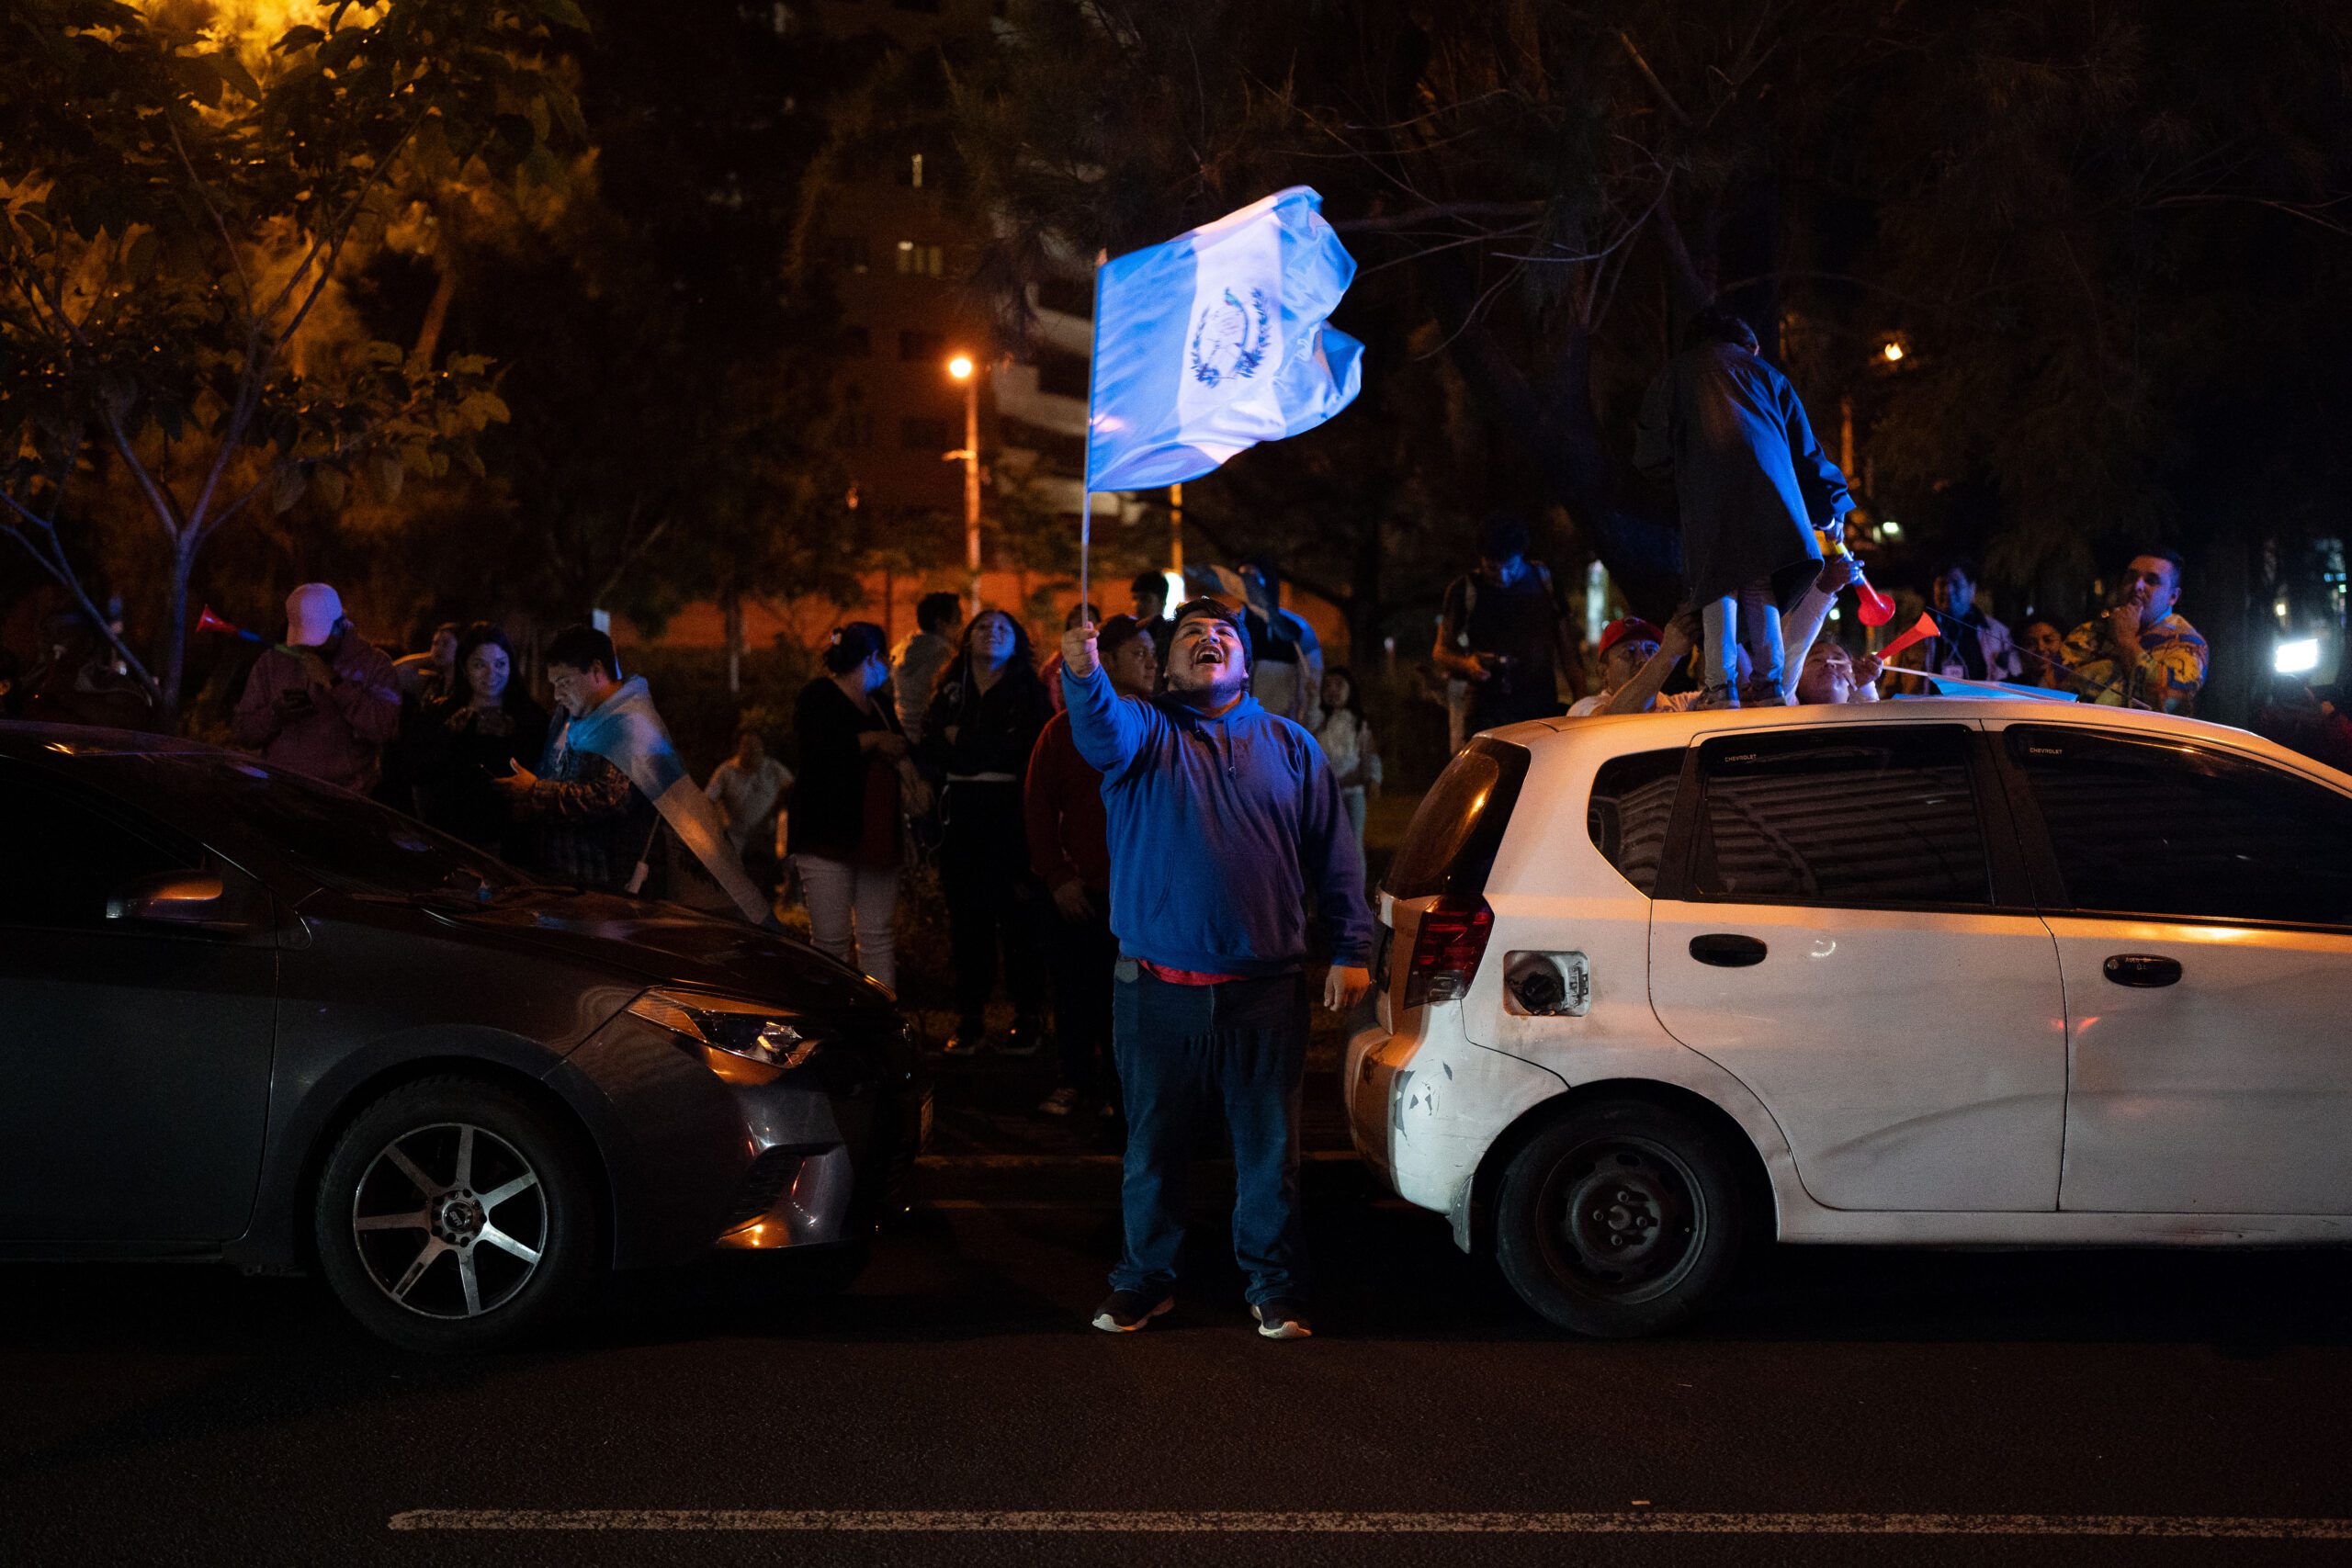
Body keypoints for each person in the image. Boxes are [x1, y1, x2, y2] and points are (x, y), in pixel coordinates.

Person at [1060, 596, 1373, 1342]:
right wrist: (1083, 670)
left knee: (1269, 1153)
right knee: (1153, 1148)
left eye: (1225, 633)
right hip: (1156, 990)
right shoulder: (1142, 731)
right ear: (1167, 664)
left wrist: (1353, 948)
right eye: (1192, 634)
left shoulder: (1292, 745)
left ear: (1244, 661)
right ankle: (1144, 1280)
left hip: (1265, 990)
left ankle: (1274, 1285)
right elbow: (1098, 722)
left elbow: (1336, 856)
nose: (1210, 640)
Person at [1634, 306, 1852, 707]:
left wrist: (1683, 481)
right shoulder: (1769, 376)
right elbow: (1807, 452)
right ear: (1749, 345)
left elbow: (1651, 453)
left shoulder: (1675, 374)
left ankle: (1721, 687)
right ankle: (1769, 685)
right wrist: (1830, 508)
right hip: (1771, 503)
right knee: (1759, 583)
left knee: (1719, 584)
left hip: (1709, 499)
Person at [1024, 615, 1157, 1119]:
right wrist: (1057, 877)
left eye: (1152, 653)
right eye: (1137, 654)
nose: (1149, 662)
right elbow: (1038, 808)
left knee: (1134, 1001)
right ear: (1108, 660)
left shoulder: (1162, 726)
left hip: (1141, 892)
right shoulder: (1061, 733)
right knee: (1078, 990)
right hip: (1085, 890)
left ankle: (1121, 1091)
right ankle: (1075, 1078)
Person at [922, 608, 1055, 1056]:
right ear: (967, 639)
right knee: (967, 922)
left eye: (1002, 628)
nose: (991, 633)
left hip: (1010, 817)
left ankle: (1028, 1017)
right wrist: (975, 748)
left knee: (1018, 920)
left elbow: (1025, 751)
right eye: (982, 626)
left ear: (1017, 642)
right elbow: (931, 745)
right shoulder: (950, 690)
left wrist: (966, 743)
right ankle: (971, 1019)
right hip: (962, 818)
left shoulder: (1029, 692)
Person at [791, 623, 924, 989]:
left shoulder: (880, 703)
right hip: (827, 836)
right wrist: (872, 739)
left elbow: (902, 747)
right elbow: (818, 753)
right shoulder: (818, 696)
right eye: (883, 658)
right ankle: (833, 1023)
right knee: (830, 941)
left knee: (877, 935)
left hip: (878, 836)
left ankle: (880, 1020)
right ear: (871, 658)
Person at [492, 625, 660, 894]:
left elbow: (611, 797)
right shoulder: (566, 714)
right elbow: (554, 770)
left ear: (596, 671)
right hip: (554, 877)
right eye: (554, 684)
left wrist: (536, 791)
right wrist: (526, 792)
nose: (557, 695)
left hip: (601, 885)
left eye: (564, 682)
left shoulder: (628, 723)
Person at [231, 583, 401, 791]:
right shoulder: (273, 662)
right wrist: (275, 714)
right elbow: (243, 732)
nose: (310, 645)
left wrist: (336, 684)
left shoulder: (374, 665)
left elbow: (385, 728)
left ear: (340, 624)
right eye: (303, 637)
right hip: (281, 792)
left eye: (317, 637)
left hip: (344, 796)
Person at [1432, 513, 1576, 736]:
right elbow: (1440, 652)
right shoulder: (1464, 590)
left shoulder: (1544, 582)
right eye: (1492, 568)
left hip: (1539, 710)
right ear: (1481, 559)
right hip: (1485, 714)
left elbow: (1570, 655)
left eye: (1510, 567)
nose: (1503, 576)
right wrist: (1468, 664)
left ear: (1522, 556)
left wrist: (1582, 705)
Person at [412, 623, 550, 853]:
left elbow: (541, 772)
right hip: (449, 841)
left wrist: (511, 736)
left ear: (511, 665)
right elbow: (418, 772)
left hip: (510, 846)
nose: (491, 674)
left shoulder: (529, 716)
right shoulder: (441, 714)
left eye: (500, 664)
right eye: (479, 665)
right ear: (464, 668)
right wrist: (449, 734)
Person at [2060, 549, 2208, 714]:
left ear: (2173, 596)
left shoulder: (2188, 644)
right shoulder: (2088, 632)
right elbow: (2051, 688)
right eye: (2131, 578)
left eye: (2151, 581)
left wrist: (2126, 640)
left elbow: (2167, 701)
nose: (2137, 586)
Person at [15, 610, 156, 730]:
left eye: (63, 632)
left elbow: (130, 723)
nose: (53, 640)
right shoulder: (29, 679)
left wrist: (70, 698)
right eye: (47, 633)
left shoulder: (111, 683)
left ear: (87, 642)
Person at [707, 726, 794, 901]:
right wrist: (720, 821)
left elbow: (791, 788)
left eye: (757, 745)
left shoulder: (772, 768)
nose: (753, 749)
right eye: (747, 745)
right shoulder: (726, 771)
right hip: (735, 838)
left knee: (766, 884)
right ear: (737, 748)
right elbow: (708, 798)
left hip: (766, 837)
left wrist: (777, 810)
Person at [1313, 667, 1381, 883]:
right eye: (1328, 685)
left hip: (1352, 792)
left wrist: (1374, 778)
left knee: (1353, 842)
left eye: (1339, 684)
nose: (1332, 690)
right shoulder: (1319, 722)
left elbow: (1369, 753)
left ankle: (1355, 893)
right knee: (1326, 844)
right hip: (1326, 795)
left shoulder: (1358, 724)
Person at [1910, 558, 2021, 683]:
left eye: (1956, 584)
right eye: (1942, 584)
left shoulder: (1998, 634)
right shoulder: (1913, 634)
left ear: (1972, 589)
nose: (1948, 591)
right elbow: (1891, 687)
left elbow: (2017, 681)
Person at [1239, 562, 1322, 723]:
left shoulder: (1295, 627)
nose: (1248, 583)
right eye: (1243, 577)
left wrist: (1305, 722)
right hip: (1239, 730)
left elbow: (1311, 678)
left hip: (1280, 727)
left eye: (1254, 577)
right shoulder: (1231, 626)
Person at [1566, 616, 1699, 716]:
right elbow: (1612, 720)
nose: (1643, 660)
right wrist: (1668, 654)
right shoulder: (1583, 710)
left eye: (1652, 650)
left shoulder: (1681, 705)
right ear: (1603, 672)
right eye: (1629, 652)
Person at [889, 592, 963, 745]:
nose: (961, 625)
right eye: (957, 620)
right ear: (940, 623)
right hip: (923, 738)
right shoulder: (945, 654)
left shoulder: (900, 648)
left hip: (897, 733)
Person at [1039, 601, 1101, 713]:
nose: (1082, 624)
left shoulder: (1104, 658)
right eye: (1077, 620)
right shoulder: (1055, 663)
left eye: (1088, 618)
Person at [391, 622, 461, 705]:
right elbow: (394, 673)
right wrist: (431, 656)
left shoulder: (467, 684)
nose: (438, 648)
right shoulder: (432, 682)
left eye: (445, 643)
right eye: (435, 643)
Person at [1130, 569, 1178, 669]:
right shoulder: (1129, 636)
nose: (1137, 605)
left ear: (1162, 602)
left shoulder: (1173, 636)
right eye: (1135, 598)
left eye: (1145, 599)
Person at [2016, 617, 2073, 692]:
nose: (2040, 648)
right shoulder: (2011, 689)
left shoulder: (2078, 686)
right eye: (2031, 643)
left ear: (2063, 643)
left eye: (2048, 640)